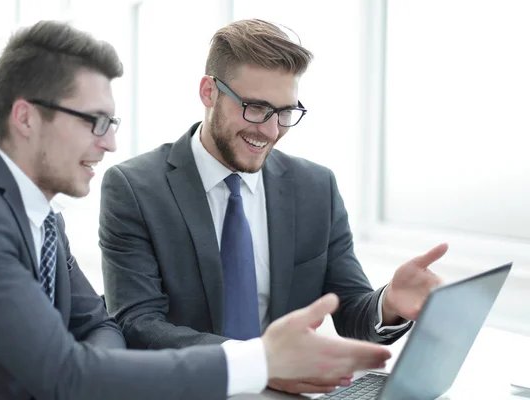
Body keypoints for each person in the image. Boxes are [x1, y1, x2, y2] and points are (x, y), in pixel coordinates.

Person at [0, 20, 392, 400]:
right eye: (94, 121)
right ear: (27, 117)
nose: (109, 142)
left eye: (111, 123)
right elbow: (72, 371)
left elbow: (98, 324)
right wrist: (260, 362)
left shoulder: (42, 217)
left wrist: (96, 364)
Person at [99, 18, 448, 395]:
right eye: (255, 107)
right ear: (208, 92)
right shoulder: (134, 188)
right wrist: (256, 364)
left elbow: (350, 311)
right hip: (190, 388)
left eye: (284, 112)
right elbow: (137, 323)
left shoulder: (316, 188)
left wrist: (389, 303)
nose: (269, 130)